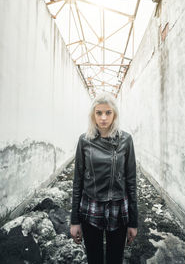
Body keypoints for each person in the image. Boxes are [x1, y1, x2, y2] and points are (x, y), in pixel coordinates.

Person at [70, 93, 138, 264]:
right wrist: (74, 221)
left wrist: (133, 222)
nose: (103, 118)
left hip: (118, 208)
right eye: (99, 113)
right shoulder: (84, 140)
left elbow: (131, 181)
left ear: (114, 114)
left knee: (115, 258)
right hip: (91, 207)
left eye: (108, 112)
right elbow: (77, 181)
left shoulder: (126, 140)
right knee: (94, 258)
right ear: (93, 115)